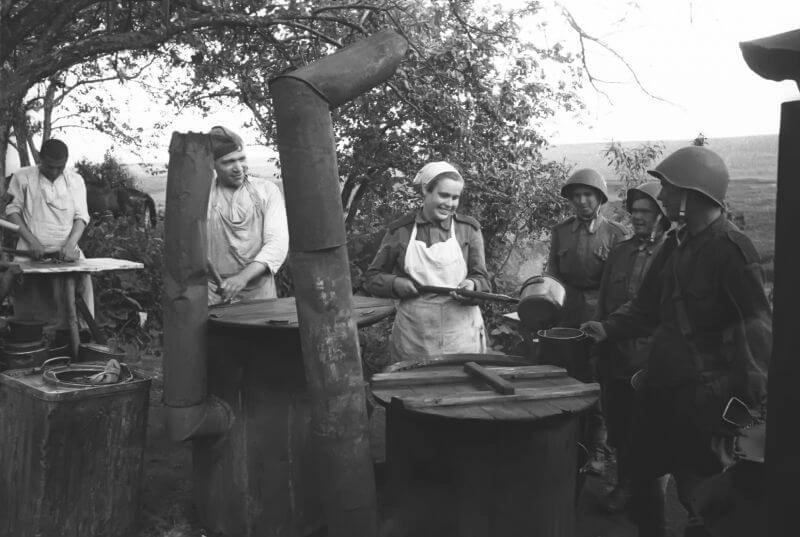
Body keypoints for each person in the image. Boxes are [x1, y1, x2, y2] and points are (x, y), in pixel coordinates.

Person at [581, 146, 772, 537]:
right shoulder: (675, 242)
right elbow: (646, 307)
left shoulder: (732, 251)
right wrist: (608, 328)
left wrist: (742, 398)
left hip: (704, 398)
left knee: (702, 498)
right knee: (640, 476)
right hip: (660, 387)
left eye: (668, 188)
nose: (662, 196)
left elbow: (757, 333)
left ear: (691, 196)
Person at [364, 161, 490, 363]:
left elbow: (482, 278)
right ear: (426, 190)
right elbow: (372, 278)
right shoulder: (401, 231)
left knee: (463, 390)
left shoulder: (468, 229)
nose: (449, 204)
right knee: (416, 390)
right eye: (444, 195)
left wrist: (472, 285)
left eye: (455, 198)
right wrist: (396, 283)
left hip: (462, 335)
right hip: (415, 336)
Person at [594, 181, 670, 513]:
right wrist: (601, 340)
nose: (638, 217)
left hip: (654, 358)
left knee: (653, 430)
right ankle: (625, 485)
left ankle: (652, 496)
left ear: (662, 214)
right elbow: (603, 303)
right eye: (634, 211)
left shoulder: (673, 253)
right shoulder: (621, 251)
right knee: (619, 423)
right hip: (617, 354)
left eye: (646, 211)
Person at [547, 168, 627, 474]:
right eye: (576, 196)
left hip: (600, 313)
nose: (581, 201)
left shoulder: (615, 234)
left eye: (588, 195)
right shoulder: (561, 231)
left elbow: (619, 283)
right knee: (566, 374)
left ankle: (599, 450)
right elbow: (553, 273)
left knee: (597, 381)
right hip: (567, 312)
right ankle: (566, 444)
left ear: (600, 199)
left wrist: (608, 320)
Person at [5, 138, 93, 340]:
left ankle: (76, 338)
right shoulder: (23, 177)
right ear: (40, 159)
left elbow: (81, 217)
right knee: (31, 303)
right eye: (50, 167)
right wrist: (32, 241)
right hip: (30, 251)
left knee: (76, 291)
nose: (54, 172)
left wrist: (71, 245)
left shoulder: (76, 181)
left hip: (67, 253)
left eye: (59, 167)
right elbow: (12, 211)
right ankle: (32, 340)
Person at [206, 126, 289, 305]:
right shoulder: (203, 197)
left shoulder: (266, 191)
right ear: (212, 164)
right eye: (228, 162)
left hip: (260, 293)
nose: (238, 168)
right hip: (214, 294)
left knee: (259, 332)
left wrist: (242, 278)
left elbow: (277, 243)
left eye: (241, 159)